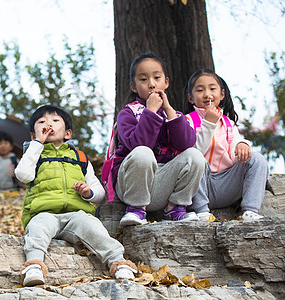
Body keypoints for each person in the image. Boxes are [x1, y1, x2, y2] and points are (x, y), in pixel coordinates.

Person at [15, 105, 138, 287]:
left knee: (94, 227)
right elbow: (23, 175)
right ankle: (34, 265)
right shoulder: (34, 155)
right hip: (44, 213)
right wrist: (37, 144)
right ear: (33, 135)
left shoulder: (79, 158)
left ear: (67, 133)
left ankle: (118, 262)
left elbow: (99, 191)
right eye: (42, 122)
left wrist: (88, 192)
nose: (48, 124)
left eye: (55, 121)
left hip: (76, 215)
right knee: (37, 229)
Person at [113, 52, 206, 226]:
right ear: (134, 87)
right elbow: (138, 144)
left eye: (157, 77)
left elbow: (186, 144)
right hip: (132, 183)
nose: (151, 84)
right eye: (143, 79)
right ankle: (135, 209)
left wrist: (169, 110)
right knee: (143, 152)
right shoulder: (127, 114)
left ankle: (174, 208)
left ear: (166, 82)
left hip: (162, 185)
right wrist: (150, 112)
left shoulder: (175, 115)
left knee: (194, 155)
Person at [184, 69, 269, 221]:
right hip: (201, 186)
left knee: (257, 158)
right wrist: (208, 123)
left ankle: (250, 210)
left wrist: (242, 144)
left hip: (227, 184)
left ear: (221, 95)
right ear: (191, 98)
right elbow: (194, 153)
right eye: (200, 90)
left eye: (212, 88)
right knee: (197, 160)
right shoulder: (187, 121)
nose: (206, 93)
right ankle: (202, 211)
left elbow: (236, 150)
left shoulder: (228, 123)